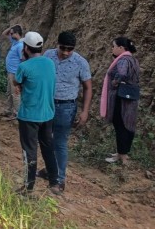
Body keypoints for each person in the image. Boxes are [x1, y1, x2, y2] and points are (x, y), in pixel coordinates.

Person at [38, 31, 92, 191]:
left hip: (66, 108)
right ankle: (49, 169)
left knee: (60, 142)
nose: (66, 52)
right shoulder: (48, 55)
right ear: (57, 44)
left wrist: (85, 111)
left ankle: (60, 180)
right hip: (47, 104)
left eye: (70, 49)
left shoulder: (80, 62)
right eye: (63, 48)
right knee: (46, 140)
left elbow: (88, 87)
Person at [13, 31, 62, 196]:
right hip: (48, 114)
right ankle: (55, 182)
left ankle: (28, 187)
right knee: (48, 147)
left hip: (29, 115)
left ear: (26, 48)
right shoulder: (49, 63)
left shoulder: (23, 67)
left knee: (29, 150)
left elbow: (17, 82)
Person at [100, 37, 140, 165]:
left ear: (121, 48)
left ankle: (122, 156)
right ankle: (122, 153)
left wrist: (115, 82)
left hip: (121, 98)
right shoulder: (132, 59)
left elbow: (122, 73)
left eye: (113, 46)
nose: (112, 48)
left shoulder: (123, 60)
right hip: (130, 97)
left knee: (120, 125)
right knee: (127, 124)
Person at [1, 24, 24, 119]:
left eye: (12, 33)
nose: (10, 34)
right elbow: (4, 34)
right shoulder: (15, 42)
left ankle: (17, 113)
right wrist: (13, 27)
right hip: (10, 72)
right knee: (9, 92)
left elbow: (22, 60)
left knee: (15, 94)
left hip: (15, 73)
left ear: (17, 33)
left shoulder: (20, 45)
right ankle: (8, 110)